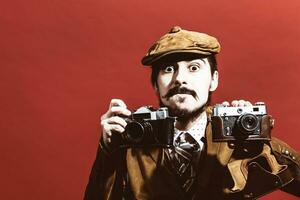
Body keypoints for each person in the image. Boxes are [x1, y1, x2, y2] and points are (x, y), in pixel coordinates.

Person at [84, 26, 300, 199]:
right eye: (168, 69)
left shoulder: (238, 137)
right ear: (155, 85)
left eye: (194, 67)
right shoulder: (133, 141)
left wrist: (258, 142)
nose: (180, 78)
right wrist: (108, 152)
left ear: (213, 80)